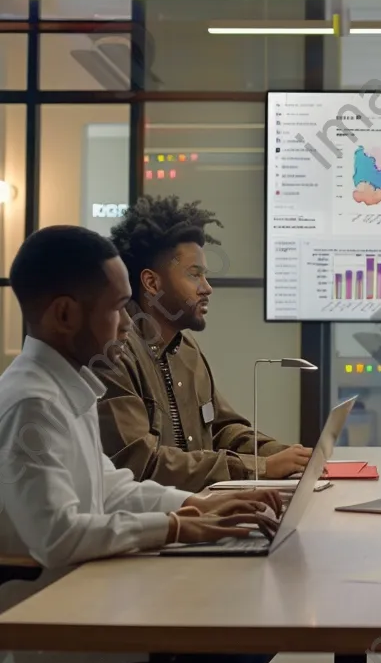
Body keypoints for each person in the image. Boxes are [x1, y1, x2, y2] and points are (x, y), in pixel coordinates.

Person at [0, 225, 289, 663]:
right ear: (65, 314)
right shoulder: (32, 403)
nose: (127, 323)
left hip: (84, 614)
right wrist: (177, 526)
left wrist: (200, 509)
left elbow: (109, 485)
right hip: (51, 643)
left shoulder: (66, 386)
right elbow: (57, 535)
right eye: (115, 308)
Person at [96, 196, 312, 492]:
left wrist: (286, 456)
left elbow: (223, 429)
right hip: (160, 523)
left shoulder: (186, 349)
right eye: (194, 274)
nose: (207, 287)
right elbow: (142, 463)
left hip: (203, 510)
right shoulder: (117, 355)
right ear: (151, 283)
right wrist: (260, 469)